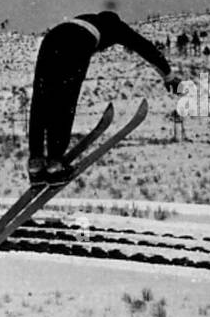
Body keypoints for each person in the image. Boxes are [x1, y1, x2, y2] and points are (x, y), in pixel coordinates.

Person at [27, 11, 179, 186]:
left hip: (50, 40)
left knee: (42, 98)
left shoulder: (86, 18)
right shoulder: (115, 26)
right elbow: (145, 47)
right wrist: (168, 76)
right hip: (76, 43)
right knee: (65, 100)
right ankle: (54, 164)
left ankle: (36, 163)